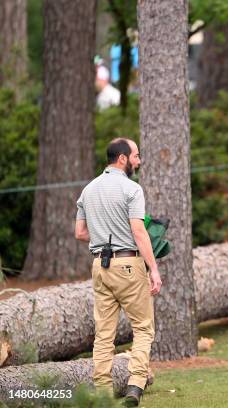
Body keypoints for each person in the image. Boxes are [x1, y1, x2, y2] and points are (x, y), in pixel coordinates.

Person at [75, 138, 162, 407]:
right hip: (128, 265)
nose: (139, 161)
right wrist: (154, 269)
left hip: (100, 266)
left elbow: (79, 233)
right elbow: (138, 232)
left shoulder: (88, 190)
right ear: (122, 158)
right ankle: (135, 385)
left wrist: (104, 236)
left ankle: (102, 389)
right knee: (143, 328)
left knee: (104, 332)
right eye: (136, 156)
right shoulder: (131, 189)